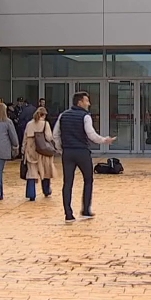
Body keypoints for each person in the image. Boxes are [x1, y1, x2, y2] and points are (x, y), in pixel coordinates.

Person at [52, 91, 116, 222]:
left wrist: (60, 149)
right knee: (88, 179)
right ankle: (86, 209)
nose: (89, 104)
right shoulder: (85, 116)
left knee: (67, 182)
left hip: (68, 152)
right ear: (80, 102)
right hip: (82, 152)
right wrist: (104, 140)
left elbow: (55, 135)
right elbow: (91, 135)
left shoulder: (63, 115)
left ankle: (68, 214)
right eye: (86, 101)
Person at [23, 107, 54, 201]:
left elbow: (25, 138)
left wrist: (23, 150)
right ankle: (46, 190)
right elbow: (49, 137)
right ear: (43, 115)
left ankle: (31, 194)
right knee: (45, 171)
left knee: (31, 172)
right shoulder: (45, 124)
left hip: (31, 149)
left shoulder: (29, 124)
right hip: (43, 150)